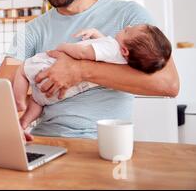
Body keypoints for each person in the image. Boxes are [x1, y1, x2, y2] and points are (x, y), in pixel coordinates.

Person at [0, 0, 179, 140]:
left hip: (105, 144)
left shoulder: (129, 17)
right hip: (45, 141)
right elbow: (2, 85)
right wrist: (12, 121)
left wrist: (80, 70)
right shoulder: (29, 31)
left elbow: (168, 84)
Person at [13, 24, 172, 130]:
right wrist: (97, 34)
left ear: (125, 50)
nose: (128, 26)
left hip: (48, 68)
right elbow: (106, 49)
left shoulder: (112, 46)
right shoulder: (125, 62)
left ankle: (19, 102)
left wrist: (65, 47)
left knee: (22, 69)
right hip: (60, 92)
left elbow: (84, 52)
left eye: (128, 31)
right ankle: (24, 122)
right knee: (37, 101)